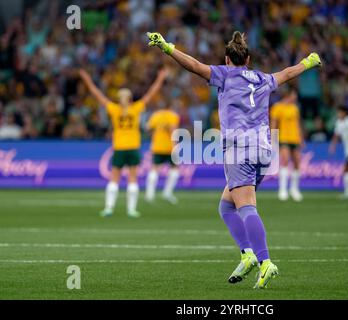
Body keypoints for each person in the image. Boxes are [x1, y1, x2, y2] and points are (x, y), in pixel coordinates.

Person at [147, 31, 321, 288]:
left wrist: (166, 47)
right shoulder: (262, 78)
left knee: (247, 207)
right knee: (227, 206)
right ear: (248, 59)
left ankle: (265, 262)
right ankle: (247, 254)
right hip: (264, 149)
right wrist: (308, 62)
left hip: (240, 149)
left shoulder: (224, 75)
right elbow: (285, 73)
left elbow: (194, 66)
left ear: (227, 59)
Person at [79, 68, 167, 217]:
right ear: (131, 99)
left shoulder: (114, 109)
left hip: (119, 147)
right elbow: (151, 93)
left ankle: (109, 208)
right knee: (133, 178)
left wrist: (87, 79)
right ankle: (131, 210)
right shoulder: (136, 109)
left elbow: (97, 94)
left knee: (115, 178)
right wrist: (160, 78)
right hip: (133, 147)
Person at [270, 89, 304, 201]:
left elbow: (298, 124)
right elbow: (274, 123)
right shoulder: (277, 107)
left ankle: (294, 190)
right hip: (283, 138)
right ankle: (283, 190)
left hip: (295, 138)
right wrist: (273, 139)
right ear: (288, 95)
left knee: (297, 163)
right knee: (284, 161)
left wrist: (301, 138)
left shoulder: (295, 108)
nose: (295, 98)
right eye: (293, 96)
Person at [145, 99, 181, 204]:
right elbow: (174, 131)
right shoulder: (173, 116)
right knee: (174, 169)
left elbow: (147, 128)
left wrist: (155, 133)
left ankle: (149, 194)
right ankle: (167, 193)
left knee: (155, 169)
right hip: (170, 146)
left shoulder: (155, 115)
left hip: (158, 146)